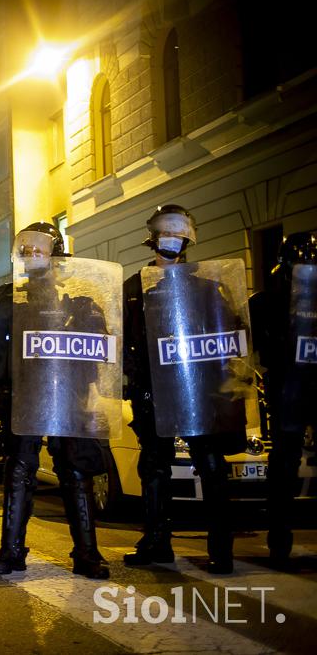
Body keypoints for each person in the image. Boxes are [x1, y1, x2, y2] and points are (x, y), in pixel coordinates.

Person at [0, 222, 112, 579]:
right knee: (19, 470)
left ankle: (87, 552)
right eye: (24, 250)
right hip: (21, 396)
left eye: (38, 249)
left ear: (56, 254)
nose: (30, 256)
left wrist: (89, 392)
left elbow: (97, 353)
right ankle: (11, 551)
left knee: (74, 469)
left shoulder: (78, 299)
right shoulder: (7, 298)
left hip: (65, 396)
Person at [123, 205, 246, 574]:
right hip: (153, 393)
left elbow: (228, 335)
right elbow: (125, 341)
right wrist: (134, 386)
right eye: (166, 234)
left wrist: (226, 384)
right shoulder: (134, 287)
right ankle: (157, 543)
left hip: (198, 391)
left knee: (210, 465)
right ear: (154, 239)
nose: (172, 241)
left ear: (189, 238)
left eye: (179, 234)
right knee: (154, 467)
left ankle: (221, 550)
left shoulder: (208, 286)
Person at [249, 231, 317, 566]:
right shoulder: (266, 301)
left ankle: (281, 539)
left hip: (304, 385)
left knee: (285, 462)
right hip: (287, 388)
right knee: (285, 464)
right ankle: (279, 540)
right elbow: (249, 339)